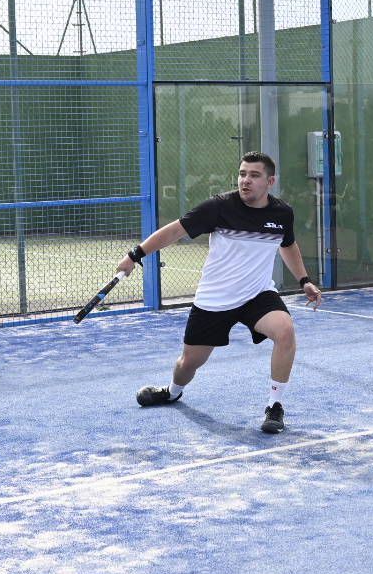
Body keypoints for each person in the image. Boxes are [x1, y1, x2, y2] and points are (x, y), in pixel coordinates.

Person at [120, 151, 324, 434]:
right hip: (215, 299)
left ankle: (275, 406)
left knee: (285, 330)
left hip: (257, 295)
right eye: (242, 174)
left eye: (254, 175)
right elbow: (174, 231)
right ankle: (172, 391)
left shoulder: (282, 214)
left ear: (270, 181)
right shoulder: (218, 208)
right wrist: (135, 254)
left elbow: (287, 245)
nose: (246, 181)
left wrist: (304, 280)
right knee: (188, 363)